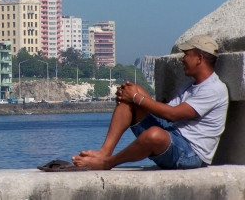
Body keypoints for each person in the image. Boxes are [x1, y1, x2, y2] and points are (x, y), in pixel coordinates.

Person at [72, 35, 228, 170]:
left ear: (199, 58)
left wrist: (136, 98)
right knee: (135, 90)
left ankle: (107, 163)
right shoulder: (189, 86)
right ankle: (105, 152)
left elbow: (173, 114)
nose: (182, 59)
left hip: (190, 154)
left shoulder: (214, 89)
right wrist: (133, 95)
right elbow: (167, 112)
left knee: (154, 135)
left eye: (186, 54)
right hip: (174, 137)